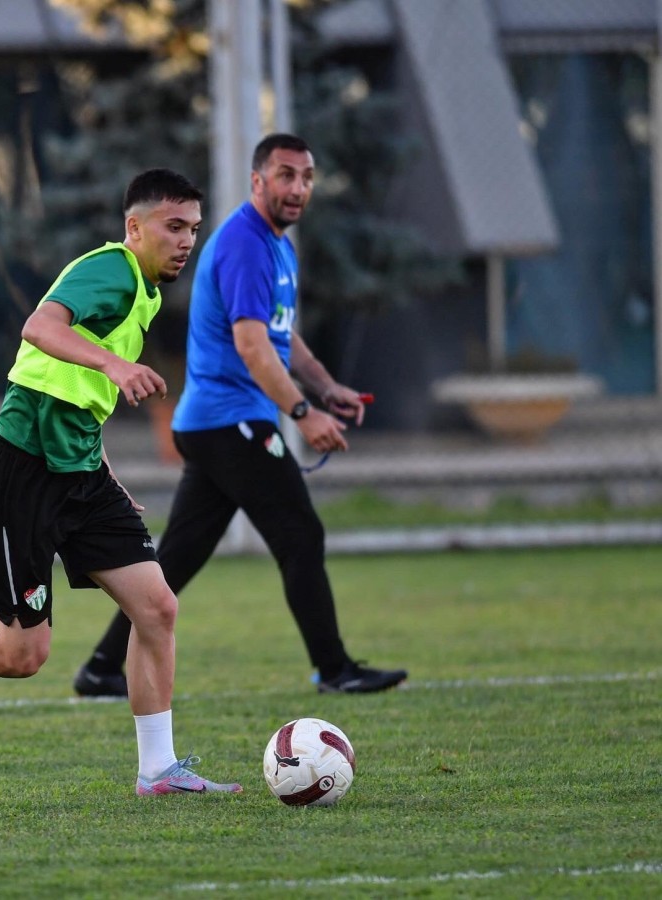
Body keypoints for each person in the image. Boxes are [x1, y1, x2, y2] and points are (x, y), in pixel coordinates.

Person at [0, 168, 242, 797]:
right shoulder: (110, 269)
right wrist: (116, 364)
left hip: (81, 474)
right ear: (134, 228)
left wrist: (106, 474)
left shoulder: (145, 294)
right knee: (21, 657)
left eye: (193, 229)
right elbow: (40, 328)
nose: (186, 241)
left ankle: (158, 771)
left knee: (157, 608)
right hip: (20, 478)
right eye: (173, 226)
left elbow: (72, 397)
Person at [74, 134, 408, 699]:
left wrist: (326, 387)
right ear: (258, 181)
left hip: (216, 423)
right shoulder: (244, 243)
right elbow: (252, 346)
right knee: (300, 534)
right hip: (232, 422)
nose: (298, 187)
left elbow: (280, 334)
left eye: (306, 177)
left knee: (179, 555)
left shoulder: (277, 245)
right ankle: (335, 670)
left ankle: (102, 667)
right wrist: (302, 413)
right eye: (285, 175)